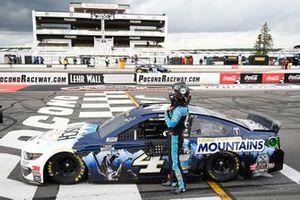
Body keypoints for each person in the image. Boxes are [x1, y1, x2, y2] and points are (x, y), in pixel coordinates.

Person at [163, 82, 191, 194]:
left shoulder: (179, 109)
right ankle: (172, 181)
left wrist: (166, 112)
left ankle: (181, 186)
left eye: (174, 92)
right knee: (171, 159)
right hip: (174, 136)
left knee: (175, 162)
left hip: (175, 136)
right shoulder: (180, 107)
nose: (172, 94)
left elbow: (170, 124)